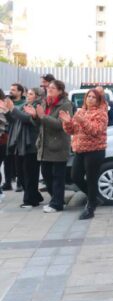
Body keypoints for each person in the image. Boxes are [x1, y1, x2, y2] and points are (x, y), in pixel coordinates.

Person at [61, 88, 108, 220]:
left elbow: (95, 131)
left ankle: (90, 208)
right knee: (75, 176)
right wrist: (67, 122)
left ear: (98, 100)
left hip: (95, 151)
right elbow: (72, 131)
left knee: (92, 180)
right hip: (80, 149)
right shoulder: (81, 111)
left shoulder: (101, 113)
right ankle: (94, 198)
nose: (90, 99)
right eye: (88, 97)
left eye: (93, 97)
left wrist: (81, 120)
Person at [29, 80, 73, 213]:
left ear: (60, 91)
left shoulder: (65, 104)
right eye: (49, 87)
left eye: (53, 88)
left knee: (57, 177)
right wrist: (35, 117)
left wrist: (43, 116)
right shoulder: (45, 102)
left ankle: (57, 204)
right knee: (47, 175)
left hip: (58, 145)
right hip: (44, 145)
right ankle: (57, 199)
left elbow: (61, 125)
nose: (49, 89)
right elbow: (38, 124)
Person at [1, 88, 42, 207]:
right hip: (19, 144)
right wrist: (7, 111)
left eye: (30, 94)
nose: (27, 95)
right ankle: (35, 196)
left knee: (30, 174)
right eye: (27, 93)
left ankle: (30, 200)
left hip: (31, 144)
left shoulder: (38, 106)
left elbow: (26, 119)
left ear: (37, 96)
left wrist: (12, 108)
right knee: (20, 173)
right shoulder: (25, 104)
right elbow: (13, 120)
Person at [2, 83, 26, 192]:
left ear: (20, 92)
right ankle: (7, 182)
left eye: (14, 90)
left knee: (18, 160)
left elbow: (17, 119)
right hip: (7, 133)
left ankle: (20, 183)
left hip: (19, 134)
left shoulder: (25, 104)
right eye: (10, 89)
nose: (11, 91)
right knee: (7, 160)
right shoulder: (6, 102)